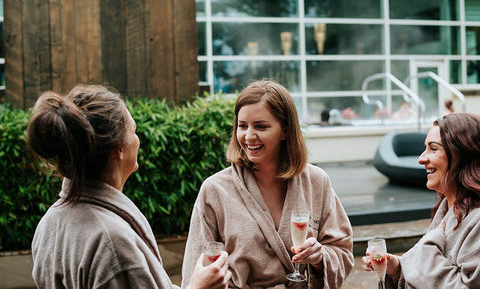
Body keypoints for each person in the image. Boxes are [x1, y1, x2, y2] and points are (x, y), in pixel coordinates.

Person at [28, 84, 231, 289]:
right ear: (120, 149)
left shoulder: (49, 223)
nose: (138, 139)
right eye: (134, 131)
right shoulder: (112, 244)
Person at [182, 80, 354, 288]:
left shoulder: (316, 181)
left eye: (261, 126)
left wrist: (320, 257)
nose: (248, 136)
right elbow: (196, 271)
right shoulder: (215, 190)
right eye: (242, 126)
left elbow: (343, 252)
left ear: (285, 131)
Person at [362, 113, 480, 288]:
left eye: (433, 149)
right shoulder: (446, 209)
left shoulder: (476, 220)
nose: (421, 159)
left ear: (462, 155)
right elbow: (427, 275)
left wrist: (427, 246)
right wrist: (397, 269)